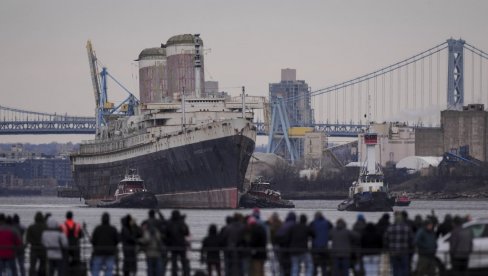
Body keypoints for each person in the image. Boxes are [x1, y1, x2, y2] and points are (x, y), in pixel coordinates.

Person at [383, 211, 414, 276]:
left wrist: (387, 248)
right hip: (404, 252)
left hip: (393, 252)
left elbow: (385, 239)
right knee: (404, 268)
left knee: (395, 269)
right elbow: (411, 240)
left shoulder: (390, 228)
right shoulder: (406, 228)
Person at [166, 210, 190, 276]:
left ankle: (174, 274)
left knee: (174, 263)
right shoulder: (182, 223)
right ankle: (185, 273)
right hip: (182, 246)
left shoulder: (170, 223)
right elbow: (187, 233)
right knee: (184, 262)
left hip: (173, 246)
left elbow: (167, 233)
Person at [26, 212, 47, 276]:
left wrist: (33, 242)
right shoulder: (46, 227)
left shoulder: (31, 227)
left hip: (34, 248)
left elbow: (28, 239)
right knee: (43, 265)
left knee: (32, 266)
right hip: (43, 249)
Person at [275, 212, 296, 276]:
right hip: (290, 249)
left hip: (281, 249)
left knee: (283, 267)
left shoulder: (283, 225)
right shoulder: (294, 225)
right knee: (291, 266)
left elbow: (277, 236)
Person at [309, 211, 330, 276]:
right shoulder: (327, 223)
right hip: (324, 247)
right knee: (324, 266)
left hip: (315, 248)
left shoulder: (312, 223)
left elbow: (309, 233)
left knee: (314, 266)